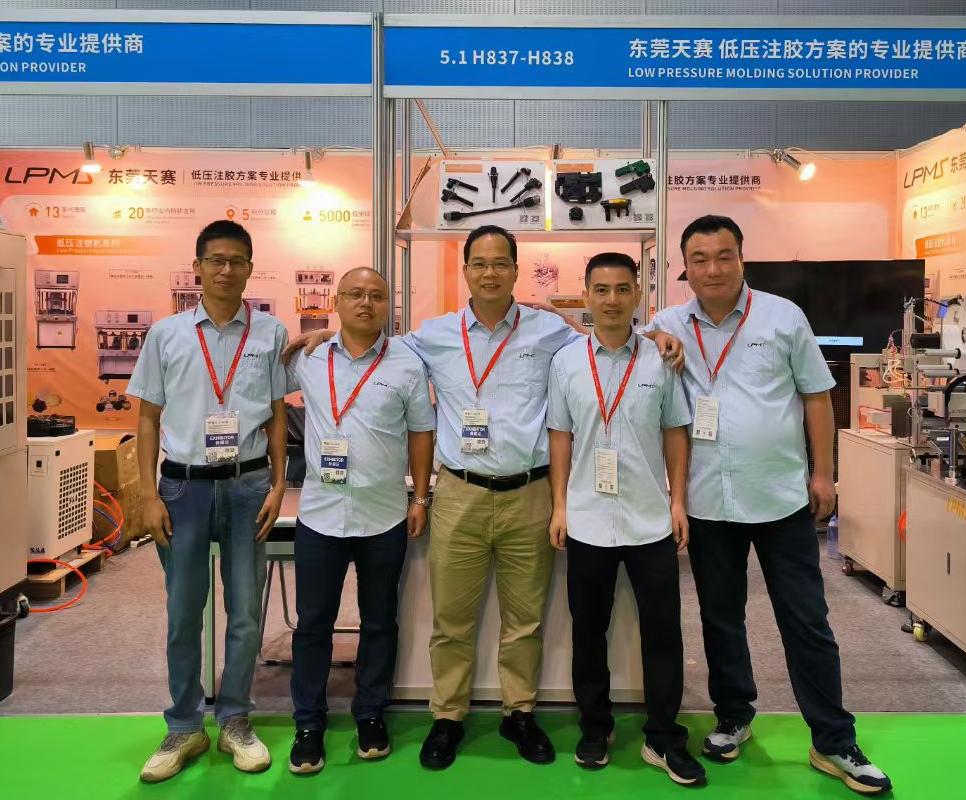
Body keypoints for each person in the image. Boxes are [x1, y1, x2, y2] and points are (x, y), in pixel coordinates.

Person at [286, 225, 683, 770]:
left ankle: (519, 712)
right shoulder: (433, 336)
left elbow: (610, 336)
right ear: (466, 270)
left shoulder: (551, 332)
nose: (490, 272)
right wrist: (331, 331)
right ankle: (448, 716)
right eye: (479, 263)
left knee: (525, 619)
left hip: (530, 493)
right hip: (460, 493)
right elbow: (372, 343)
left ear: (516, 271)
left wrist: (658, 334)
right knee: (452, 619)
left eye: (500, 263)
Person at [643, 215, 892, 795]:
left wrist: (824, 474)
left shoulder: (783, 317)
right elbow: (619, 336)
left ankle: (833, 740)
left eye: (723, 256)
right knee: (720, 618)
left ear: (741, 258)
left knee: (806, 620)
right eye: (700, 259)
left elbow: (816, 396)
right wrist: (653, 339)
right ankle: (734, 716)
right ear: (685, 268)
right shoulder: (669, 323)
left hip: (781, 498)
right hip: (708, 501)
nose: (712, 269)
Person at [128, 220, 288, 782]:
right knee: (183, 611)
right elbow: (147, 418)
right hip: (183, 488)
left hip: (248, 487)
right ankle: (184, 726)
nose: (226, 269)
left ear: (250, 268)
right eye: (216, 260)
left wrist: (277, 485)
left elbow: (277, 416)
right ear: (197, 267)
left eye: (237, 260)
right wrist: (148, 494)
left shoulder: (270, 333)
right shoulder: (166, 334)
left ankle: (236, 720)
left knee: (245, 611)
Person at [547, 252, 705, 786]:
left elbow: (675, 432)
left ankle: (663, 737)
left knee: (663, 633)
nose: (611, 300)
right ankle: (595, 728)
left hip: (649, 520)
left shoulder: (662, 358)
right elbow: (560, 437)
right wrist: (560, 505)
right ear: (586, 295)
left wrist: (678, 501)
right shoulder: (567, 362)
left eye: (621, 289)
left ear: (638, 294)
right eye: (601, 290)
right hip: (587, 519)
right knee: (588, 632)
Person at [284, 268, 435, 775]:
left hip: (383, 514)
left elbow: (420, 433)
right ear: (336, 301)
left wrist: (419, 498)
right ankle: (309, 723)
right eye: (354, 294)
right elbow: (260, 392)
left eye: (376, 295)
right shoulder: (308, 358)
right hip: (320, 516)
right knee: (313, 624)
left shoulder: (407, 363)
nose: (365, 303)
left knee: (378, 622)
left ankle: (370, 714)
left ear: (389, 304)